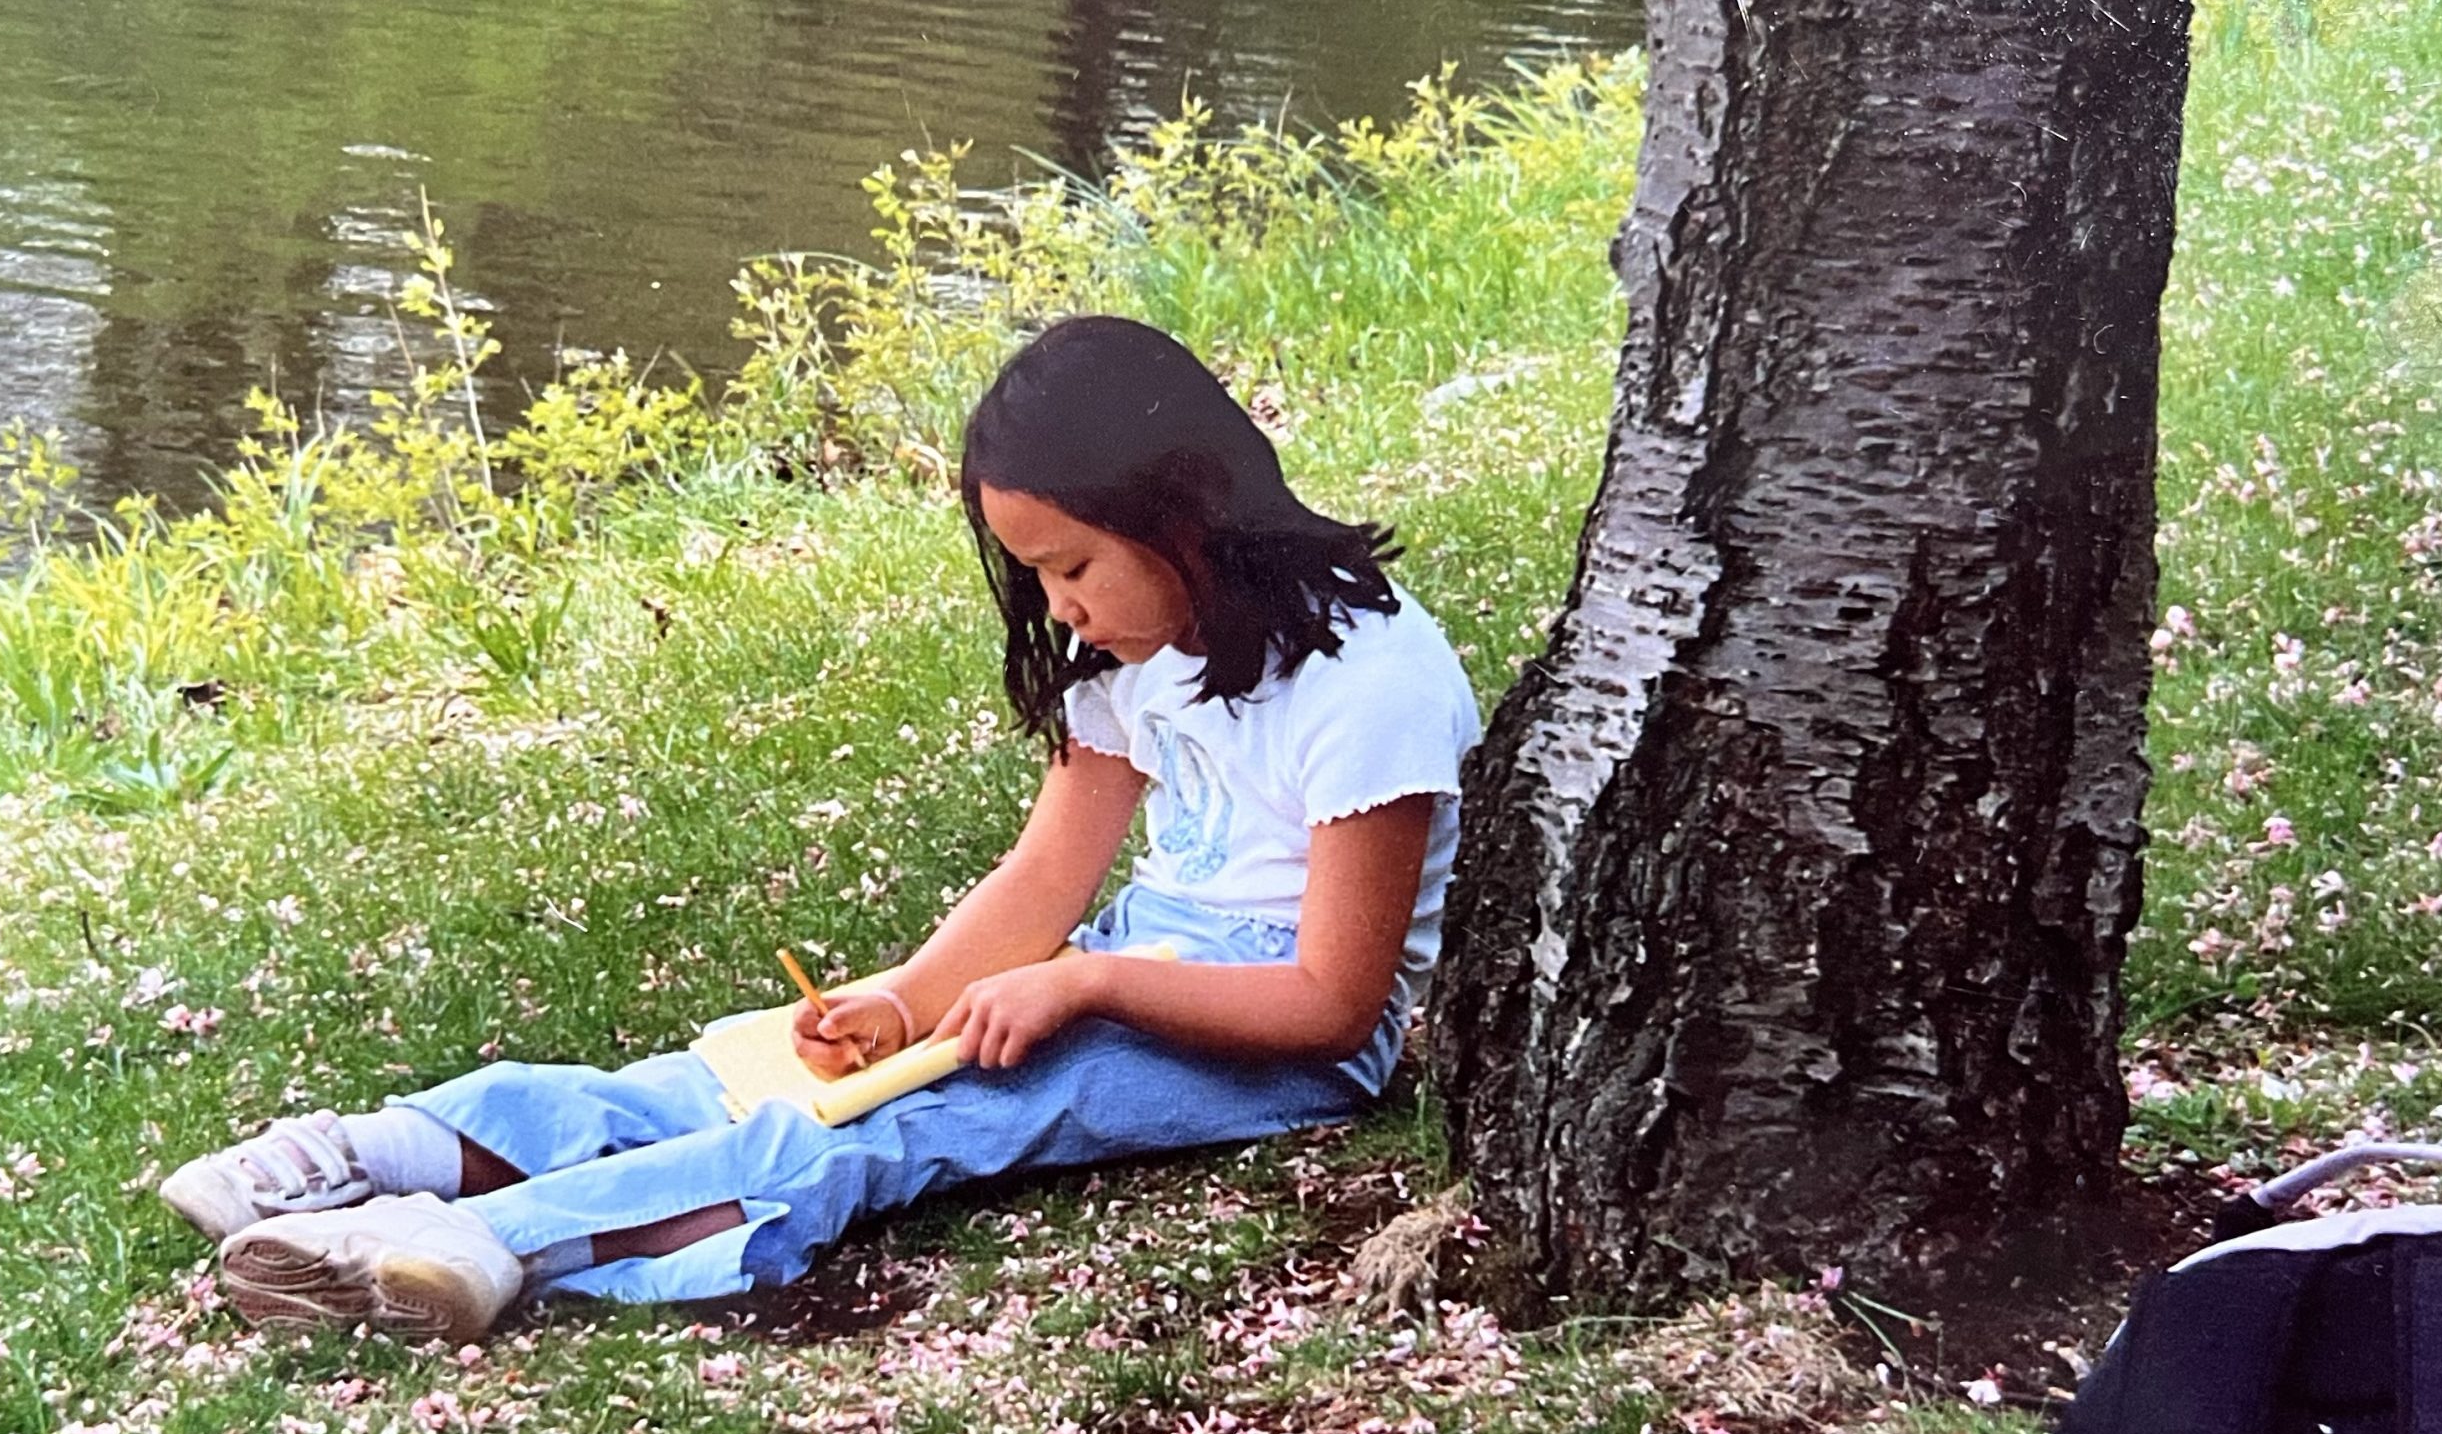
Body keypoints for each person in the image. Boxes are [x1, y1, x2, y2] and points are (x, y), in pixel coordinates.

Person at [159, 315, 1482, 1343]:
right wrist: (906, 1001)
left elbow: (1331, 1005)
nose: (1061, 608)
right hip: (1145, 964)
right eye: (1035, 576)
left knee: (896, 1131)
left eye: (1073, 567)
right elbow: (1045, 876)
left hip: (1278, 1049)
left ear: (1181, 511)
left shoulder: (1371, 676)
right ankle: (374, 1151)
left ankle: (481, 1245)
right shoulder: (1137, 647)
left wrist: (1086, 981)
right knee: (751, 1073)